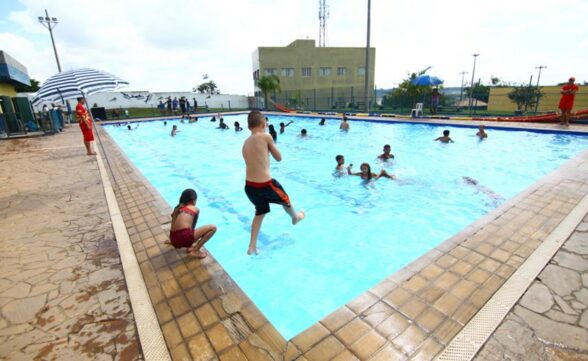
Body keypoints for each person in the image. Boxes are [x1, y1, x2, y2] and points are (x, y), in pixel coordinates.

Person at [242, 111, 305, 255]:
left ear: (248, 126)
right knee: (285, 200)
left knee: (260, 213)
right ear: (264, 124)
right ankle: (295, 218)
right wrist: (271, 145)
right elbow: (279, 158)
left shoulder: (245, 143)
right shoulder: (266, 136)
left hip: (250, 187)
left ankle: (252, 246)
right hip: (265, 185)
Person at [165, 189, 217, 258]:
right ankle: (195, 250)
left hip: (173, 240)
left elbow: (173, 224)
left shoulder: (177, 208)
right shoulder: (195, 209)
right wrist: (191, 241)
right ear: (193, 201)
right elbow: (192, 226)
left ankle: (184, 243)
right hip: (185, 240)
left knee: (183, 231)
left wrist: (173, 241)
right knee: (213, 228)